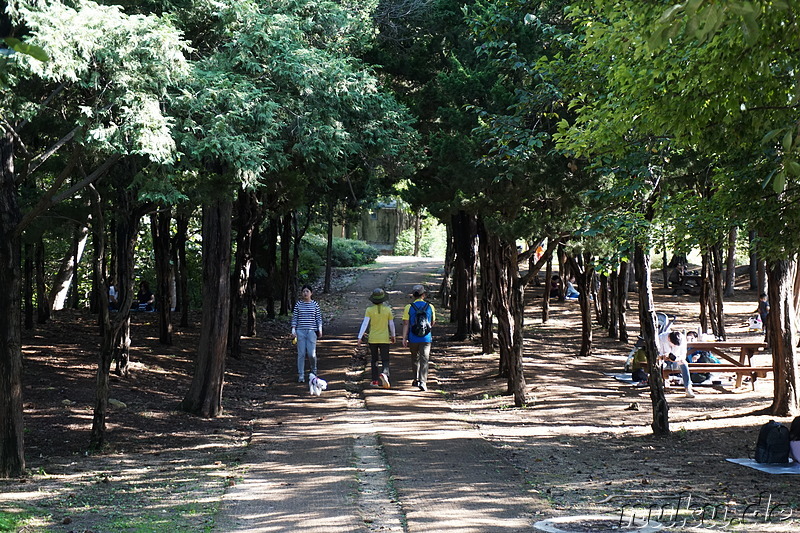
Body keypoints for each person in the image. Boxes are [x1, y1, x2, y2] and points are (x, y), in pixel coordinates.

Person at [357, 288, 396, 388]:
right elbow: (391, 324)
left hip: (373, 338)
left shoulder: (369, 310)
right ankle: (385, 373)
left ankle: (374, 381)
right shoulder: (387, 310)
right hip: (384, 338)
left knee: (374, 360)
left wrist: (360, 337)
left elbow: (365, 323)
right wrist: (393, 335)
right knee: (385, 359)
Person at [402, 284, 436, 391]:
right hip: (426, 338)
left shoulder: (409, 307)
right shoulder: (430, 307)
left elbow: (406, 324)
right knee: (424, 359)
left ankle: (416, 379)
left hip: (413, 337)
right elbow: (432, 322)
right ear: (424, 295)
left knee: (414, 358)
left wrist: (404, 338)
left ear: (413, 295)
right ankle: (423, 382)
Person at [291, 284, 323, 383]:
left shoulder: (315, 305)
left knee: (311, 354)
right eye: (304, 291)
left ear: (311, 293)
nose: (305, 293)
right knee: (301, 354)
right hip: (300, 331)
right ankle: (301, 375)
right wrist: (293, 329)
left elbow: (318, 318)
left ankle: (314, 371)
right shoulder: (298, 305)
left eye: (307, 291)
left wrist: (320, 329)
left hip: (311, 331)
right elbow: (295, 318)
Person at [658, 330, 695, 398]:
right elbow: (657, 354)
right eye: (674, 344)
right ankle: (659, 386)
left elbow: (683, 355)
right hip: (664, 361)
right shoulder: (661, 338)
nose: (675, 346)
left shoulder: (682, 339)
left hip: (676, 360)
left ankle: (688, 388)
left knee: (684, 363)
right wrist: (663, 356)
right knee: (658, 364)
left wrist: (676, 359)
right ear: (669, 338)